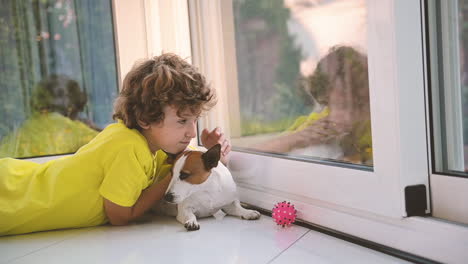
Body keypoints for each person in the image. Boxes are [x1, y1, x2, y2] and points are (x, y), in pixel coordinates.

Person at [0, 53, 230, 236]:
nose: (192, 132)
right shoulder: (129, 147)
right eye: (182, 121)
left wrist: (210, 158)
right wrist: (174, 177)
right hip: (13, 197)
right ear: (145, 119)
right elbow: (120, 216)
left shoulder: (153, 149)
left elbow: (194, 179)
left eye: (194, 121)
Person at [253, 46, 372, 165]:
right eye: (341, 106)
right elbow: (254, 155)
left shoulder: (374, 128)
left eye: (359, 106)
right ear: (325, 98)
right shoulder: (317, 125)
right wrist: (299, 138)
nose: (348, 117)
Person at [0, 74, 99, 158]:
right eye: (78, 112)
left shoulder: (18, 134)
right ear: (71, 107)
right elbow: (108, 146)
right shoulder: (74, 131)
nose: (78, 118)